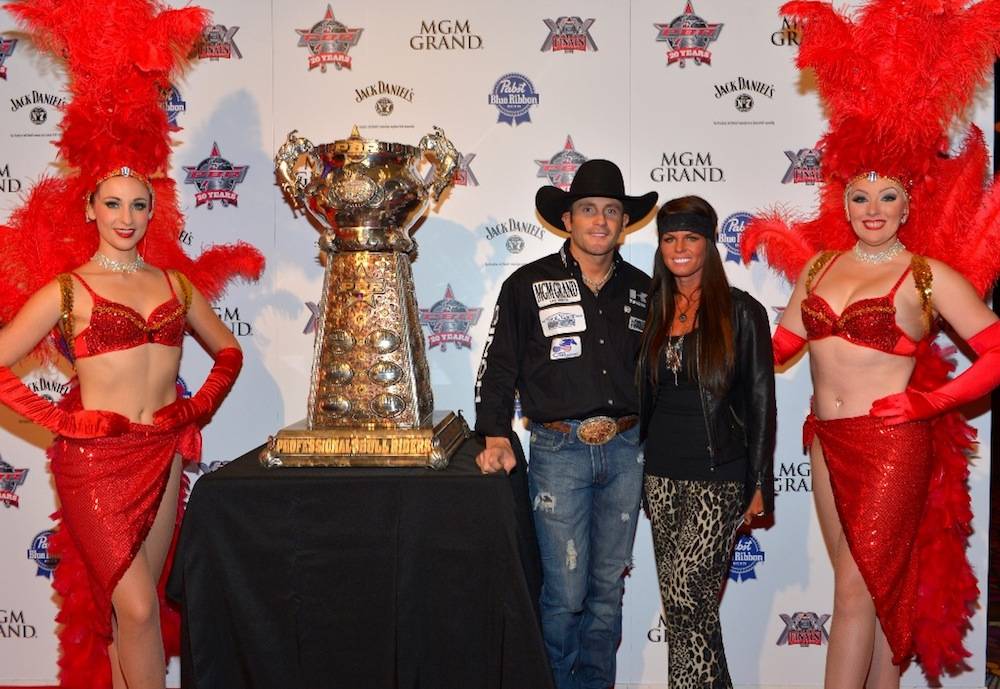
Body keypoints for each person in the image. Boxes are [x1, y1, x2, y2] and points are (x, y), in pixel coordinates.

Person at [742, 2, 1000, 686]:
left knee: (854, 593)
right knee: (875, 591)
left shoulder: (927, 274)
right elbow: (777, 347)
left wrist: (930, 404)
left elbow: (996, 351)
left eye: (887, 197)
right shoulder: (821, 268)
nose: (874, 210)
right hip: (827, 442)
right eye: (862, 197)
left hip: (890, 442)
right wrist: (711, 340)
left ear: (908, 203)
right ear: (845, 198)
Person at [0, 168, 243, 689]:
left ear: (153, 211)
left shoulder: (175, 284)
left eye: (137, 205)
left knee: (134, 611)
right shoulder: (68, 289)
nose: (125, 218)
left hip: (163, 456)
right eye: (112, 205)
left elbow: (228, 350)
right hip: (96, 464)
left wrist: (194, 407)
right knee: (134, 610)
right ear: (90, 209)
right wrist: (64, 420)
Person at [474, 159, 657, 689]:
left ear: (624, 222)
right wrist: (494, 433)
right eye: (588, 210)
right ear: (568, 219)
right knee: (565, 593)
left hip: (627, 450)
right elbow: (498, 365)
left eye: (610, 211)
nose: (599, 220)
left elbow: (661, 375)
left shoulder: (646, 291)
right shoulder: (527, 284)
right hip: (560, 453)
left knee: (607, 591)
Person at [637, 196, 775, 688]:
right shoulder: (653, 308)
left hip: (718, 476)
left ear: (709, 245)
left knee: (688, 598)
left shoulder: (741, 312)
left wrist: (760, 480)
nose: (680, 248)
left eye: (691, 238)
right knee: (684, 612)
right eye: (670, 238)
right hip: (660, 476)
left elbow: (762, 402)